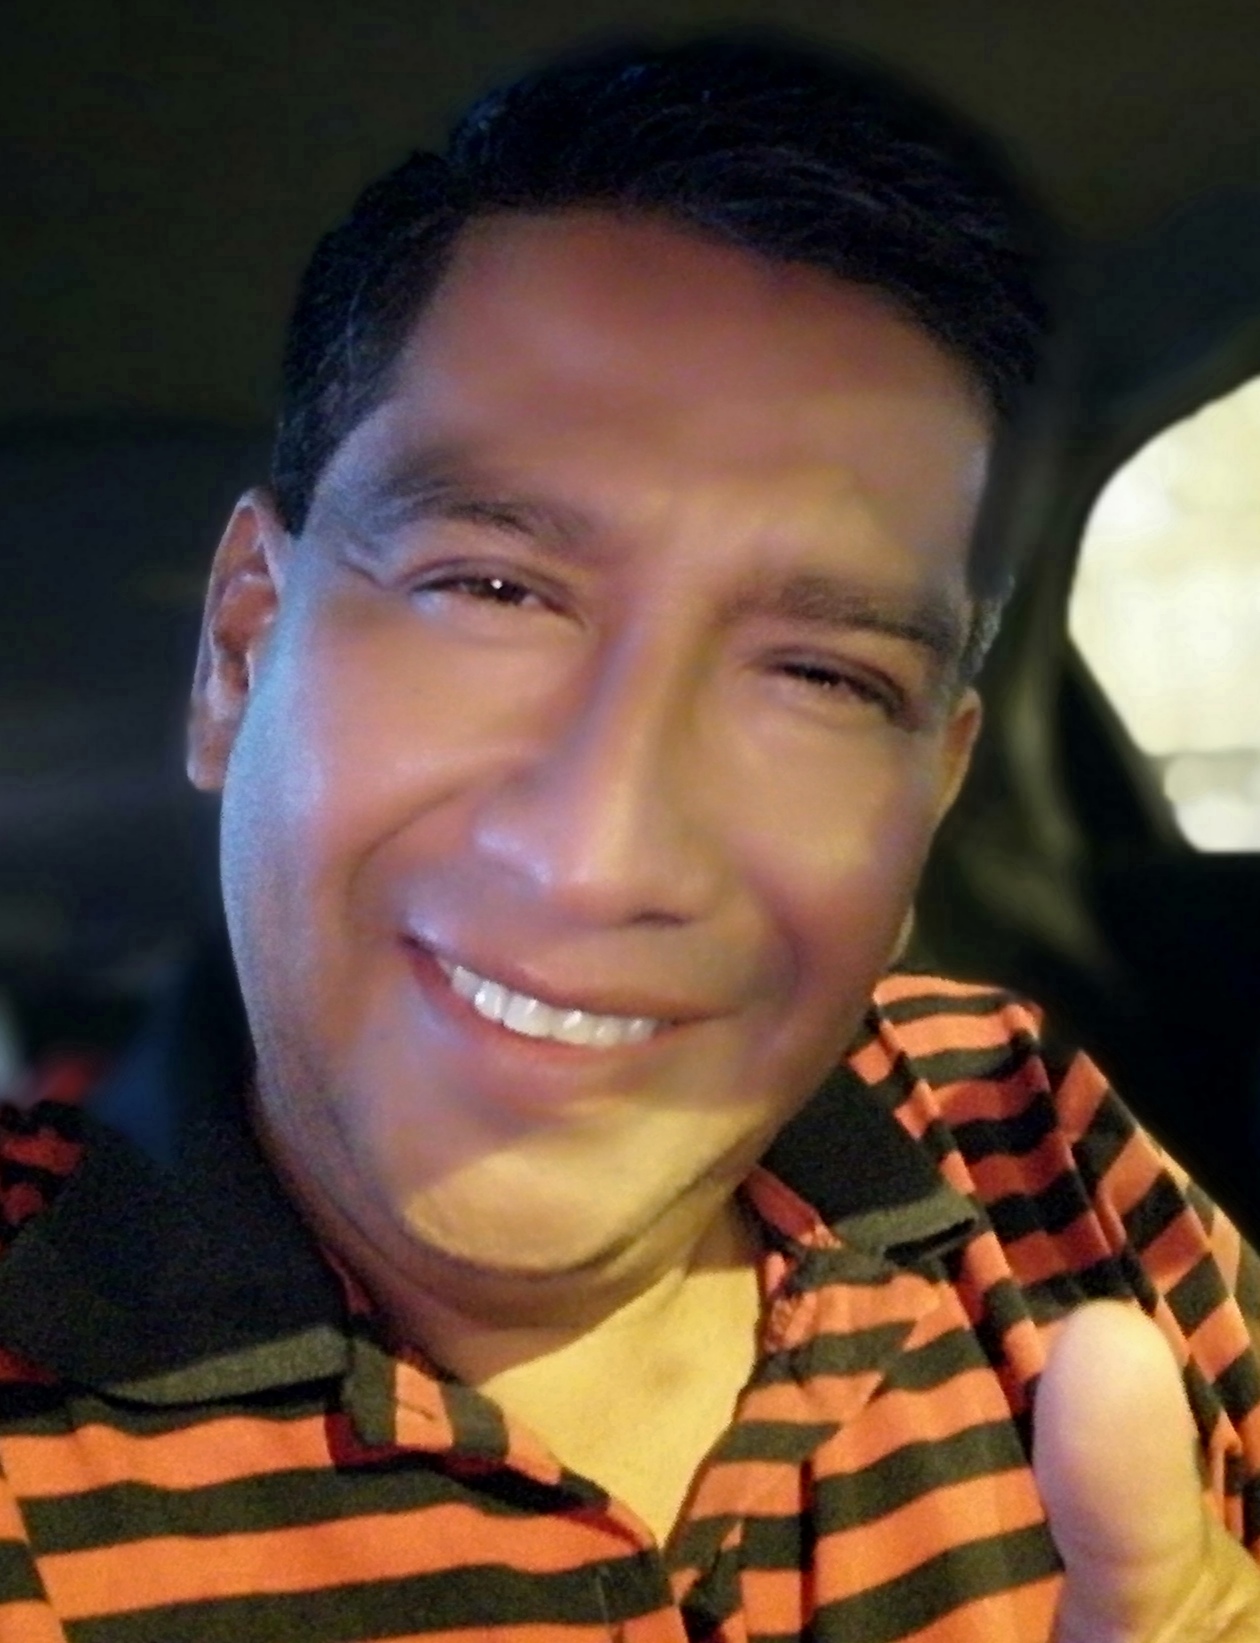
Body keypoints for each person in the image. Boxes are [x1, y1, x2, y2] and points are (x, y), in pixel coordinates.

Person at [1, 30, 1257, 1643]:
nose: (601, 862)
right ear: (241, 655)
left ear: (933, 794)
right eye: (491, 590)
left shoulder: (1020, 1128)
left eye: (823, 676)